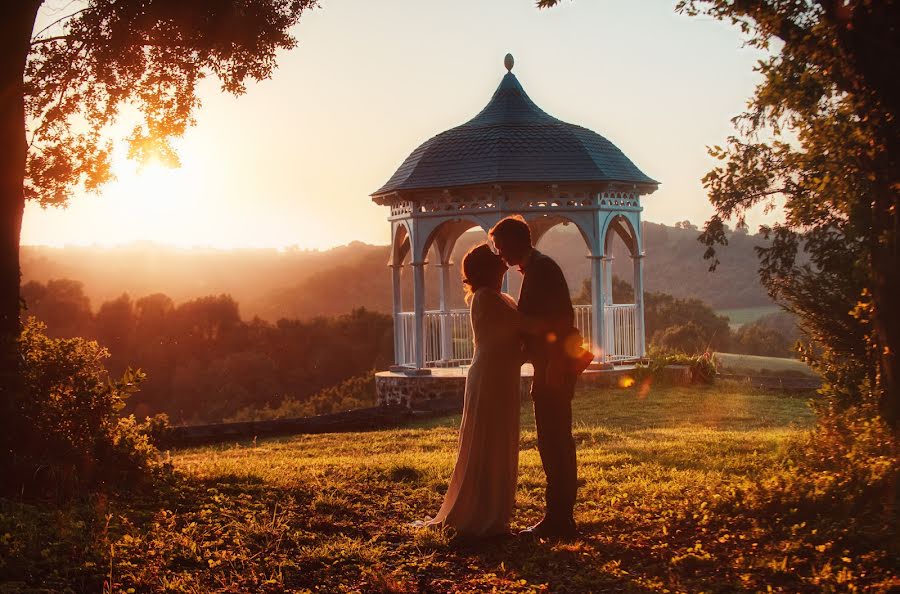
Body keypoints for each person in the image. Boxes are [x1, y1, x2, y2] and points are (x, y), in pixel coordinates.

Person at [418, 243, 524, 538]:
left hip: (501, 374)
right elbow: (520, 328)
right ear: (489, 269)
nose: (505, 263)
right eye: (499, 260)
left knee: (499, 440)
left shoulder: (498, 297)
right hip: (490, 376)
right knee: (487, 440)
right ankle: (483, 515)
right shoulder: (486, 299)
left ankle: (495, 513)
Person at [490, 215, 580, 539]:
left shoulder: (543, 269)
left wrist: (555, 362)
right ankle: (559, 517)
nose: (499, 254)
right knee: (552, 441)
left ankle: (560, 520)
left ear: (516, 241)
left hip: (553, 367)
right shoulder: (538, 268)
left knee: (555, 441)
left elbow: (561, 320)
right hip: (546, 365)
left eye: (501, 247)